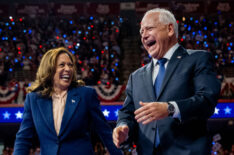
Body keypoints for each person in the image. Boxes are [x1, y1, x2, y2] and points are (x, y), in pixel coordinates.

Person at [113, 8, 221, 155]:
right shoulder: (136, 76)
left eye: (149, 28)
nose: (143, 35)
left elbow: (206, 101)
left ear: (170, 29)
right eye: (141, 31)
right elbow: (128, 113)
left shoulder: (198, 59)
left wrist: (169, 108)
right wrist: (123, 127)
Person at [13, 47, 122, 155]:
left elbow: (105, 132)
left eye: (70, 65)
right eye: (62, 65)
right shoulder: (33, 99)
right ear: (49, 69)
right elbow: (23, 138)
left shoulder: (86, 95)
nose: (68, 69)